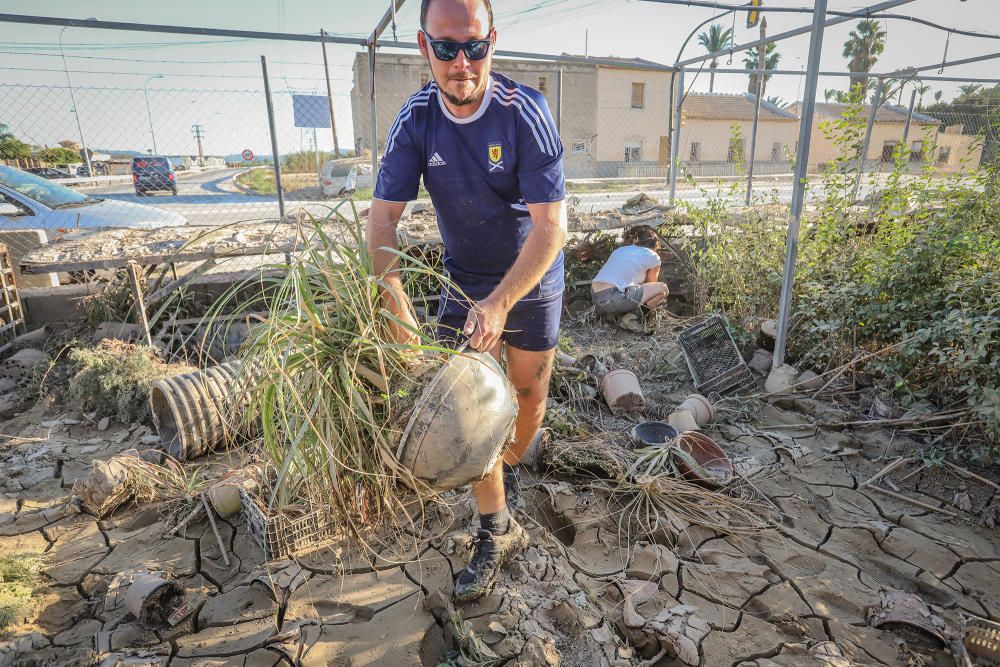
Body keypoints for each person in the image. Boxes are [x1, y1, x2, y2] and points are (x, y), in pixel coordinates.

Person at [365, 0, 567, 602]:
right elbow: (381, 223)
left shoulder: (524, 114)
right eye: (446, 47)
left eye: (473, 46)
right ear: (424, 48)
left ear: (492, 44)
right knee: (468, 413)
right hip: (461, 283)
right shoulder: (416, 120)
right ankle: (495, 523)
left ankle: (515, 449)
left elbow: (551, 228)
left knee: (526, 404)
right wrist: (393, 297)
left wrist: (503, 304)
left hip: (529, 281)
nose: (461, 62)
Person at [590, 226, 669, 332]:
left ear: (636, 240)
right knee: (663, 289)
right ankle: (630, 318)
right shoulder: (653, 256)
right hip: (614, 298)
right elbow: (651, 284)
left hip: (595, 295)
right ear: (655, 245)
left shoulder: (620, 250)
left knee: (628, 289)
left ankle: (612, 316)